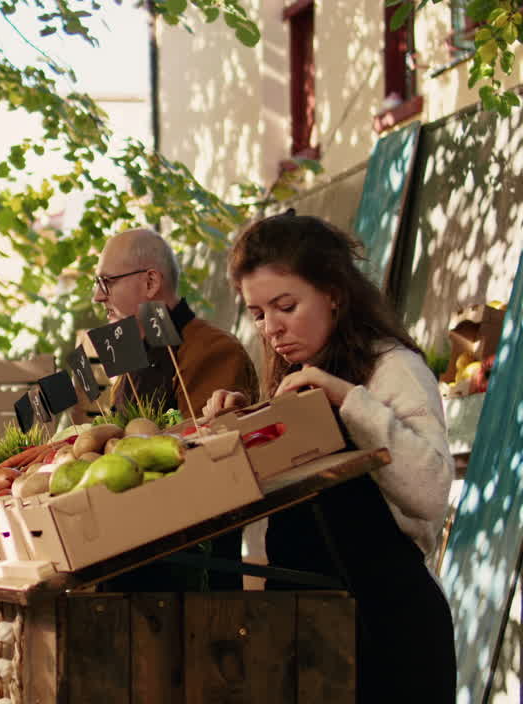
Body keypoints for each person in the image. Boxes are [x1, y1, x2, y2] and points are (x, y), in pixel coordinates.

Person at [203, 212, 456, 701]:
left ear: (334, 294)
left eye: (286, 306)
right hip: (310, 636)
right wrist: (242, 425)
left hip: (390, 636)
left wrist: (347, 398)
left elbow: (430, 493)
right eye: (258, 314)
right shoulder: (294, 376)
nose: (272, 328)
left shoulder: (394, 369)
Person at [92, 227, 259, 591]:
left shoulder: (214, 350)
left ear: (151, 282)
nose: (98, 296)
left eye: (107, 282)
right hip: (127, 560)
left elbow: (202, 466)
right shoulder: (132, 357)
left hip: (192, 580)